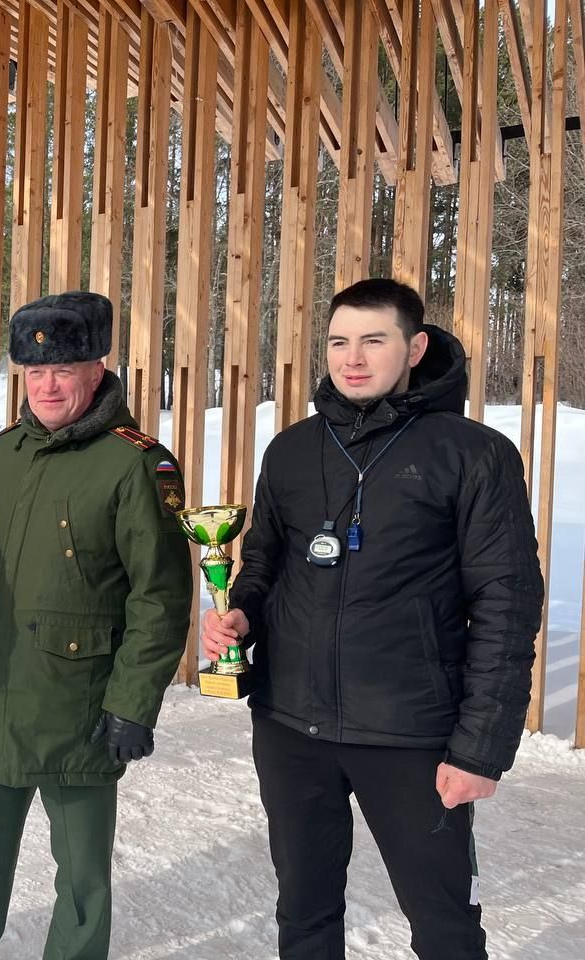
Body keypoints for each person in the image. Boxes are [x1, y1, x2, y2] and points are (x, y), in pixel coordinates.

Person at [200, 277, 543, 959]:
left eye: (373, 340)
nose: (352, 357)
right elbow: (266, 561)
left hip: (412, 734)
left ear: (415, 347)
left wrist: (481, 747)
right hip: (291, 724)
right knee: (303, 909)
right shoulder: (292, 450)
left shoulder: (473, 454)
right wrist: (239, 614)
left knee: (444, 925)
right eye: (339, 341)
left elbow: (507, 602)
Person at [0, 291, 194, 960]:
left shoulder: (135, 463)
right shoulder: (1, 455)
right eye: (34, 371)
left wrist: (133, 704)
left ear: (97, 369)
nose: (47, 384)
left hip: (79, 705)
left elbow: (159, 598)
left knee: (79, 869)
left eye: (64, 369)